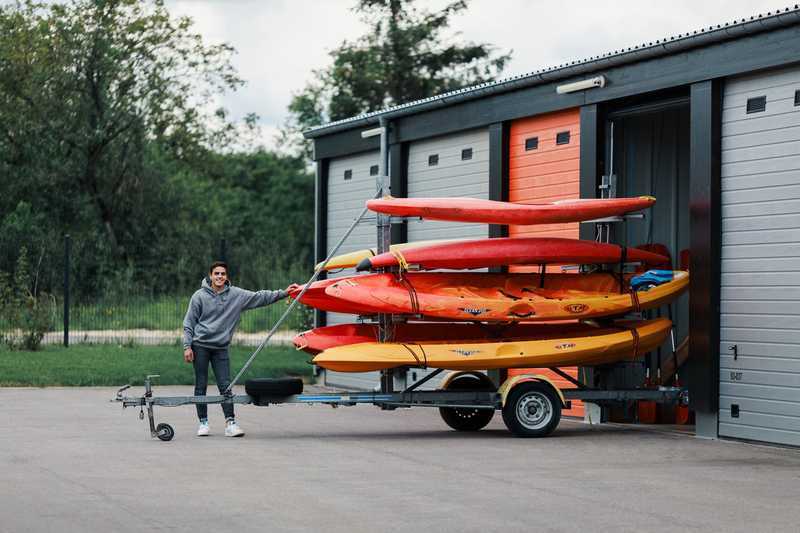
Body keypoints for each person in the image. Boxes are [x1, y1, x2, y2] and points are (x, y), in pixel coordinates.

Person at [183, 261, 300, 437]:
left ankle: (230, 423)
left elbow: (260, 297)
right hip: (200, 346)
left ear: (227, 277)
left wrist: (284, 293)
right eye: (216, 273)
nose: (220, 276)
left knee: (225, 385)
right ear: (210, 276)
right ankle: (203, 423)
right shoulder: (199, 296)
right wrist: (187, 346)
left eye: (223, 274)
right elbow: (189, 323)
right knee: (201, 385)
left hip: (221, 347)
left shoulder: (236, 295)